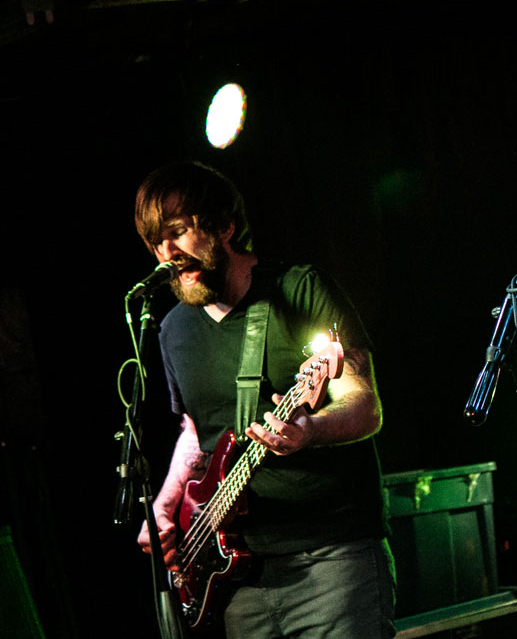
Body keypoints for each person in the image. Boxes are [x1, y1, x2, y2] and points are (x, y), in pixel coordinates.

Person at [133, 161, 395, 638]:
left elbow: (363, 402)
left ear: (225, 226)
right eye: (155, 242)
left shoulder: (299, 288)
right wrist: (167, 509)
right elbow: (196, 430)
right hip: (234, 575)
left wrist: (309, 430)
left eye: (177, 233)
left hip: (329, 557)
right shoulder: (172, 329)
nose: (166, 254)